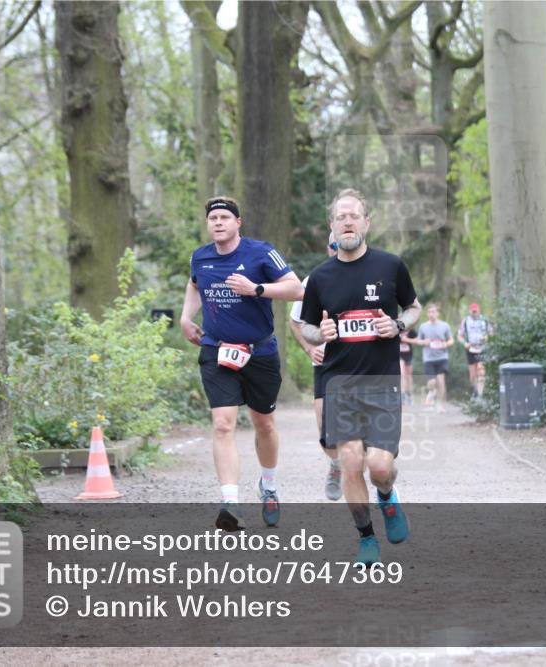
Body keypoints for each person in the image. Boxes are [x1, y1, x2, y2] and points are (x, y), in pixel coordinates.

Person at [299, 188, 422, 565]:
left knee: (381, 467)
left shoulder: (390, 266)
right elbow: (306, 327)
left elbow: (414, 307)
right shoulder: (320, 278)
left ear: (366, 223)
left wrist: (398, 324)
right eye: (341, 217)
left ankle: (387, 496)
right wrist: (323, 334)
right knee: (351, 463)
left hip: (382, 382)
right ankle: (366, 538)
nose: (348, 222)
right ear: (332, 228)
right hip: (340, 385)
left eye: (354, 215)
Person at [180, 196, 303, 532]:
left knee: (264, 424)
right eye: (212, 218)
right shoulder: (201, 257)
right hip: (216, 350)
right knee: (223, 424)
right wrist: (186, 317)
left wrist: (256, 288)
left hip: (259, 352)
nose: (217, 223)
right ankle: (230, 503)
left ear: (238, 222)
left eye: (224, 217)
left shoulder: (261, 252)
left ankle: (270, 485)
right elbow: (193, 286)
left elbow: (297, 289)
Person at [288, 234, 342, 501]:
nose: (338, 249)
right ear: (328, 248)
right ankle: (336, 466)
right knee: (324, 426)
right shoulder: (313, 280)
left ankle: (376, 474)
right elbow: (295, 322)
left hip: (359, 361)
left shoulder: (369, 276)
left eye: (341, 243)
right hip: (325, 361)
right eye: (333, 245)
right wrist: (309, 348)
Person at [417, 304, 454, 413]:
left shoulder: (445, 326)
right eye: (429, 312)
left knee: (441, 380)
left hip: (442, 357)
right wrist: (424, 342)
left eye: (434, 312)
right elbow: (418, 341)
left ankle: (439, 405)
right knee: (432, 382)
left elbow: (451, 340)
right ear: (427, 314)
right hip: (429, 358)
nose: (432, 314)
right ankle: (431, 393)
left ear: (437, 313)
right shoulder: (423, 326)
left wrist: (445, 344)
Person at [458, 302, 493, 396]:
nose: (474, 313)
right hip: (470, 349)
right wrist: (465, 343)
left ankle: (481, 394)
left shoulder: (485, 320)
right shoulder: (465, 321)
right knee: (473, 374)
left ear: (479, 310)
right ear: (470, 311)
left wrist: (487, 338)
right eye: (472, 311)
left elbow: (491, 333)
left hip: (482, 349)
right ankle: (475, 392)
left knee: (481, 371)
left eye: (475, 311)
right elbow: (459, 336)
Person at [399, 326, 418, 405]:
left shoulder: (411, 330)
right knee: (402, 374)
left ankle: (409, 394)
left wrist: (406, 340)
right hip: (399, 354)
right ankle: (402, 395)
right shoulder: (397, 328)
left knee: (408, 376)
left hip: (408, 355)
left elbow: (417, 340)